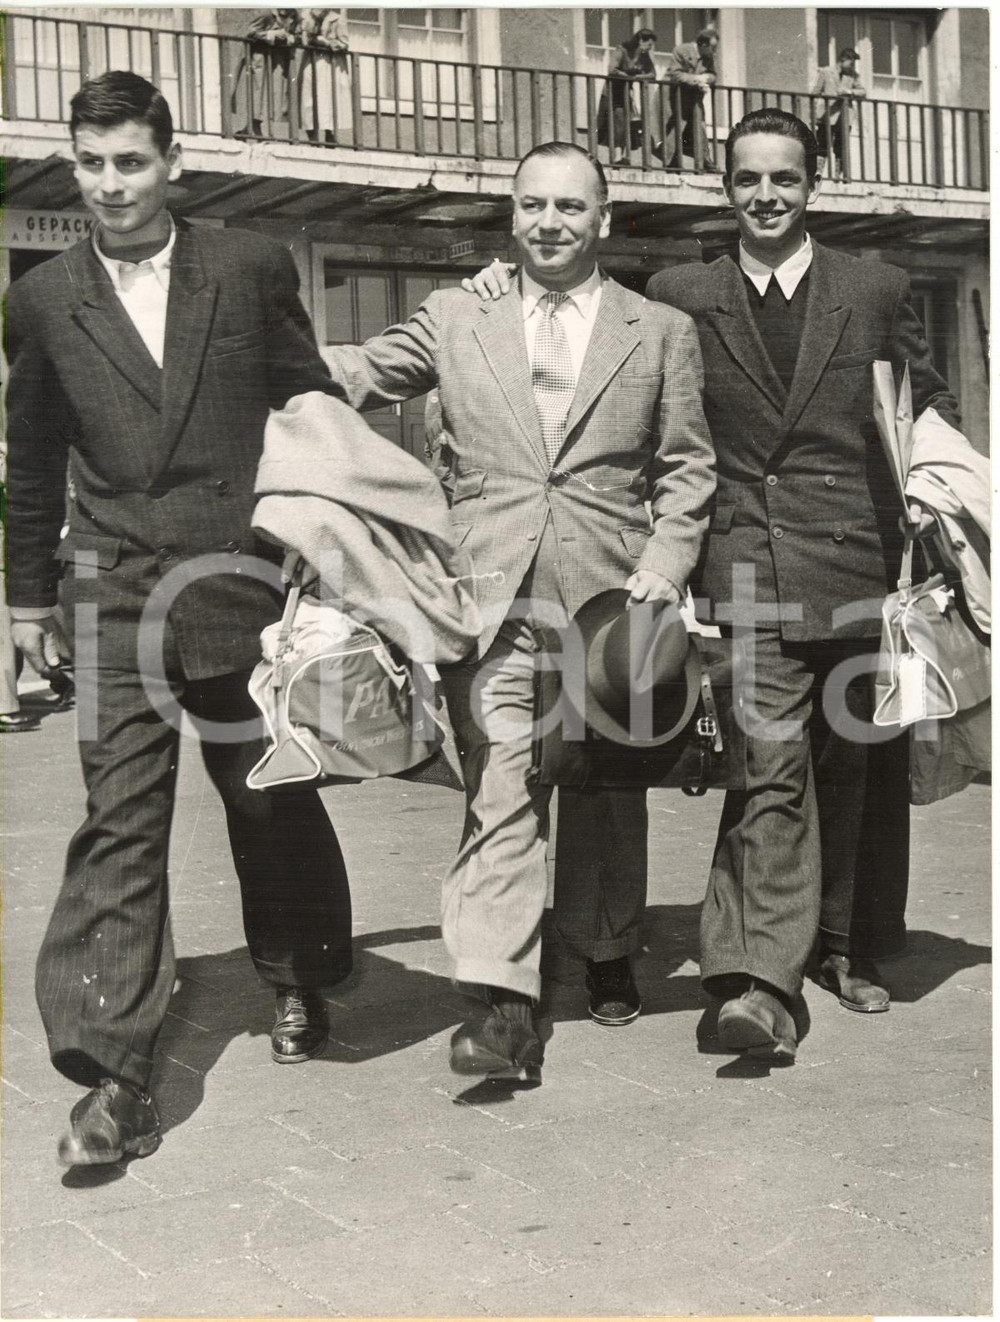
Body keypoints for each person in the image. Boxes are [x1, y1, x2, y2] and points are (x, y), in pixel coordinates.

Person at [5, 70, 354, 1166]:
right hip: (109, 590)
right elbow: (32, 459)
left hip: (237, 580)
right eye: (91, 163)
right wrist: (22, 601)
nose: (109, 185)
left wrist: (317, 553)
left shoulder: (247, 269)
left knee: (267, 798)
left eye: (130, 162)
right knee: (119, 816)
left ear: (171, 163)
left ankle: (298, 973)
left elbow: (309, 411)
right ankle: (110, 1067)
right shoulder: (43, 297)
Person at [321, 141, 714, 1075]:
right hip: (488, 592)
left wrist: (667, 558)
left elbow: (688, 462)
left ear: (604, 219)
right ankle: (503, 999)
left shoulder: (656, 330)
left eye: (570, 207)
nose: (549, 223)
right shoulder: (460, 313)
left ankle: (608, 950)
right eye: (533, 205)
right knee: (500, 785)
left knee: (607, 787)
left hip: (613, 600)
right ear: (511, 214)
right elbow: (360, 372)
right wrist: (239, 352)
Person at [644, 108, 961, 1057]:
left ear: (812, 185)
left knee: (850, 767)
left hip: (855, 562)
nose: (766, 196)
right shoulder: (678, 290)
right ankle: (757, 985)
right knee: (770, 765)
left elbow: (924, 397)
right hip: (743, 560)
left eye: (784, 179)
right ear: (726, 188)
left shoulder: (873, 287)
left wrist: (942, 471)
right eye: (748, 180)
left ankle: (843, 946)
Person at [233, 8, 300, 139]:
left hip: (279, 59)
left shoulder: (294, 14)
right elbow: (250, 32)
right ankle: (254, 125)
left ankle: (252, 126)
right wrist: (270, 34)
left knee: (275, 93)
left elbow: (299, 35)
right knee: (259, 90)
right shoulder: (267, 13)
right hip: (260, 56)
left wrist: (290, 38)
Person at [660, 24, 718, 170]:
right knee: (674, 130)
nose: (714, 51)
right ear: (703, 44)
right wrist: (697, 79)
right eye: (713, 47)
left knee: (699, 128)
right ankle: (672, 163)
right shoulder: (682, 50)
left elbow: (713, 74)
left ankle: (704, 161)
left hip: (693, 98)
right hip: (674, 97)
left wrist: (707, 77)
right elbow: (676, 74)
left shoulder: (707, 57)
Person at [597, 28, 657, 165]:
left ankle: (622, 157)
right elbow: (612, 70)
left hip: (626, 91)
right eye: (648, 45)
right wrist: (628, 76)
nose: (649, 48)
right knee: (618, 123)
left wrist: (635, 76)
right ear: (641, 40)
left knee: (626, 124)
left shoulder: (643, 55)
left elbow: (652, 74)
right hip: (613, 91)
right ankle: (617, 157)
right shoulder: (622, 50)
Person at [812, 47, 866, 180]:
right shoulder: (826, 72)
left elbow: (863, 92)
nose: (852, 65)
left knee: (841, 146)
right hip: (827, 114)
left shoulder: (853, 75)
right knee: (822, 143)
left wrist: (849, 92)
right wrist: (813, 113)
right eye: (851, 62)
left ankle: (838, 176)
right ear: (843, 59)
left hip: (845, 115)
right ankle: (818, 173)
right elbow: (815, 92)